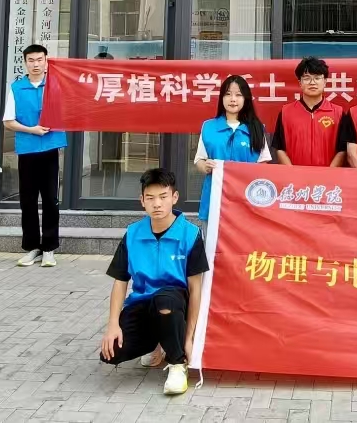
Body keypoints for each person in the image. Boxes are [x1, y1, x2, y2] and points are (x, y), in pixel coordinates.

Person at [99, 168, 208, 396]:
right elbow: (120, 282)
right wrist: (112, 325)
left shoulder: (190, 234)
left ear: (174, 197)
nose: (157, 204)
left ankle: (177, 363)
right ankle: (158, 342)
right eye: (150, 198)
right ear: (142, 201)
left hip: (174, 304)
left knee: (165, 300)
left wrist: (189, 339)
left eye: (163, 196)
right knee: (111, 353)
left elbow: (196, 289)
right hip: (142, 305)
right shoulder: (133, 233)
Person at [3, 44, 66, 268]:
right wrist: (32, 130)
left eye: (40, 59)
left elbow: (70, 110)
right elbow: (8, 121)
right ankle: (32, 247)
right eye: (31, 60)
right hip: (27, 150)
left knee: (50, 200)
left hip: (50, 149)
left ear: (47, 61)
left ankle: (49, 248)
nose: (36, 64)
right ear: (25, 62)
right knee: (28, 200)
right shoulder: (17, 88)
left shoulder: (56, 86)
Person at [194, 75, 273, 225]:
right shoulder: (208, 127)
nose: (233, 99)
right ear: (222, 98)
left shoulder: (257, 128)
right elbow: (199, 159)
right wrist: (205, 166)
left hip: (246, 200)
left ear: (246, 99)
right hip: (215, 198)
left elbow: (263, 163)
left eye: (238, 95)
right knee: (212, 239)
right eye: (228, 94)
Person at [271, 57, 347, 167]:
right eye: (307, 78)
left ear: (325, 82)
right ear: (300, 82)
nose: (312, 83)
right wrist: (293, 173)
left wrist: (329, 173)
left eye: (317, 78)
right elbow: (280, 148)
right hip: (295, 176)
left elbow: (342, 150)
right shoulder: (286, 112)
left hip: (329, 176)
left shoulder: (338, 113)